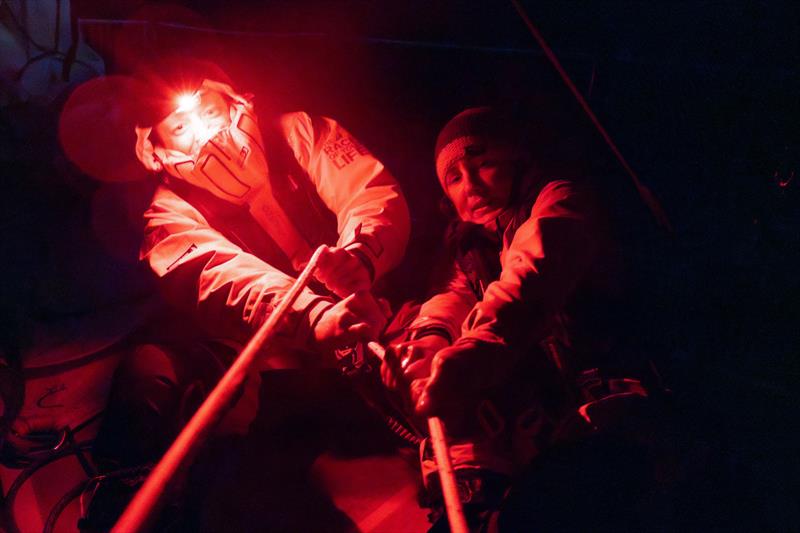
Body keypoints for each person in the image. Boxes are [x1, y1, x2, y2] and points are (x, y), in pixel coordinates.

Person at [92, 59, 411, 483]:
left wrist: (361, 256)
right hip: (286, 366)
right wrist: (310, 317)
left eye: (209, 112)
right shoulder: (168, 218)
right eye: (182, 129)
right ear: (157, 152)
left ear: (236, 102)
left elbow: (366, 190)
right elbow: (220, 276)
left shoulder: (299, 132)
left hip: (386, 309)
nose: (207, 136)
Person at [381, 106, 667, 530]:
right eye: (454, 177)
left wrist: (472, 354)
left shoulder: (561, 203)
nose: (471, 186)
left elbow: (529, 280)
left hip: (623, 399)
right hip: (557, 411)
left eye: (484, 164)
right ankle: (474, 504)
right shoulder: (470, 250)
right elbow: (448, 298)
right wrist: (427, 345)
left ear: (517, 160)